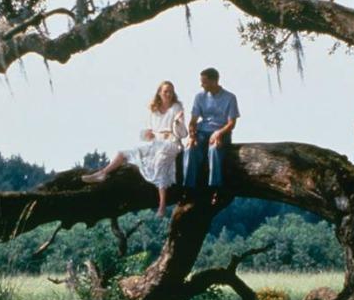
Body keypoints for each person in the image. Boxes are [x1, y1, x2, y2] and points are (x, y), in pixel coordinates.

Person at [82, 80, 187, 217]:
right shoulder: (154, 109)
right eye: (165, 91)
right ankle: (102, 173)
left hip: (171, 143)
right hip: (156, 142)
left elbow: (183, 134)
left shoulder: (176, 107)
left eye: (171, 91)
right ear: (159, 93)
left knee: (160, 161)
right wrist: (148, 134)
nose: (168, 94)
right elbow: (147, 132)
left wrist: (177, 123)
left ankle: (162, 205)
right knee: (124, 152)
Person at [182, 67, 240, 204]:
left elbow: (232, 123)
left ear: (214, 81)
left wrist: (219, 133)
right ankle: (188, 189)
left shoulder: (230, 97)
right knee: (190, 149)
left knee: (214, 150)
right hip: (202, 131)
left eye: (204, 82)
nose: (202, 85)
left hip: (222, 131)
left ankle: (215, 188)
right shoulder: (199, 97)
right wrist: (192, 136)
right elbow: (193, 121)